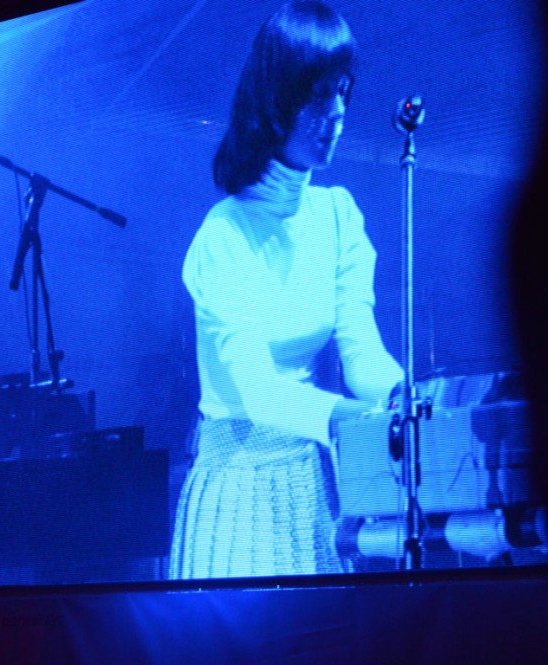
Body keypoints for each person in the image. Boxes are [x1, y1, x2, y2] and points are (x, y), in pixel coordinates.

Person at [169, 0, 402, 579]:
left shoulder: (338, 214)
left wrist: (403, 398)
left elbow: (361, 351)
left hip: (314, 478)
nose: (337, 113)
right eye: (319, 95)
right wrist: (346, 418)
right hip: (237, 486)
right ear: (277, 100)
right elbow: (254, 389)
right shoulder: (225, 233)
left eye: (343, 92)